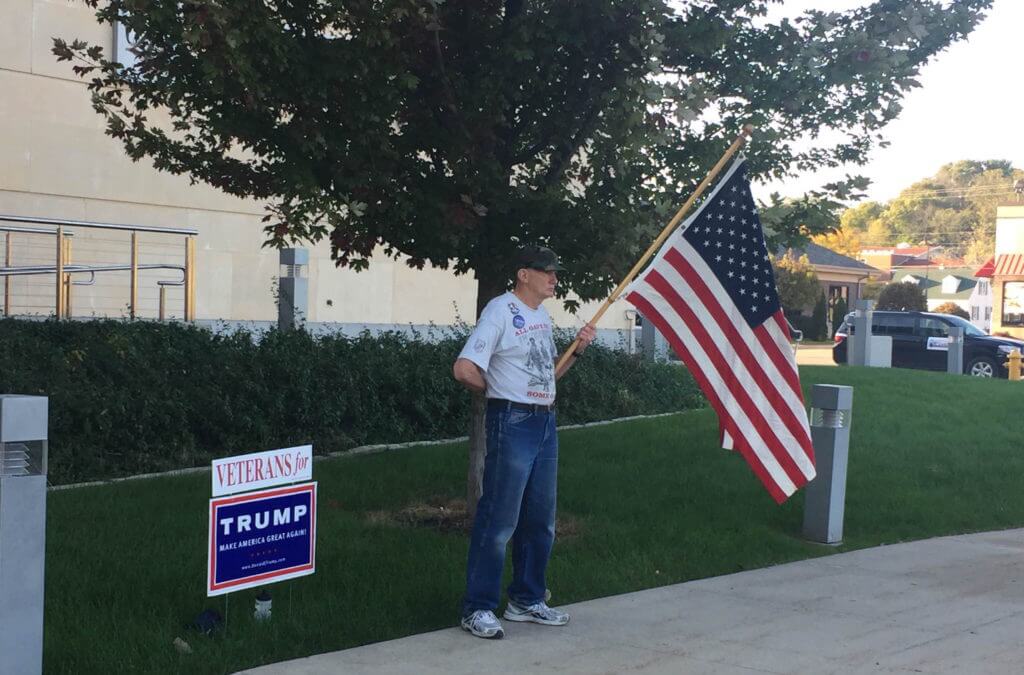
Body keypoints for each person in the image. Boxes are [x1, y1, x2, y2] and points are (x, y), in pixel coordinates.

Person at [452, 244, 597, 639]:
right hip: (512, 420)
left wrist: (578, 351)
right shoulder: (500, 310)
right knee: (499, 519)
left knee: (540, 520)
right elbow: (464, 369)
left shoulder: (541, 316)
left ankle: (526, 600)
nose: (554, 278)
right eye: (546, 271)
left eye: (555, 272)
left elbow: (547, 375)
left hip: (545, 422)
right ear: (523, 274)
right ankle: (477, 607)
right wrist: (497, 391)